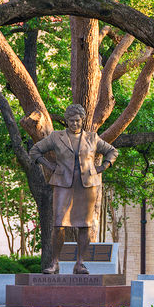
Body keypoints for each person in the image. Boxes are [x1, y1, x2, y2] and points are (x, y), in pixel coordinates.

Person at [29, 104, 118, 274]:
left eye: (77, 121)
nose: (74, 124)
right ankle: (54, 263)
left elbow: (112, 151)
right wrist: (49, 165)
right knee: (59, 224)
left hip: (87, 186)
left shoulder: (92, 138)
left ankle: (80, 263)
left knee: (85, 225)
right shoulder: (56, 137)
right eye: (71, 121)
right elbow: (35, 151)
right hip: (63, 184)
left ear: (82, 121)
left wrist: (103, 167)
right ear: (67, 121)